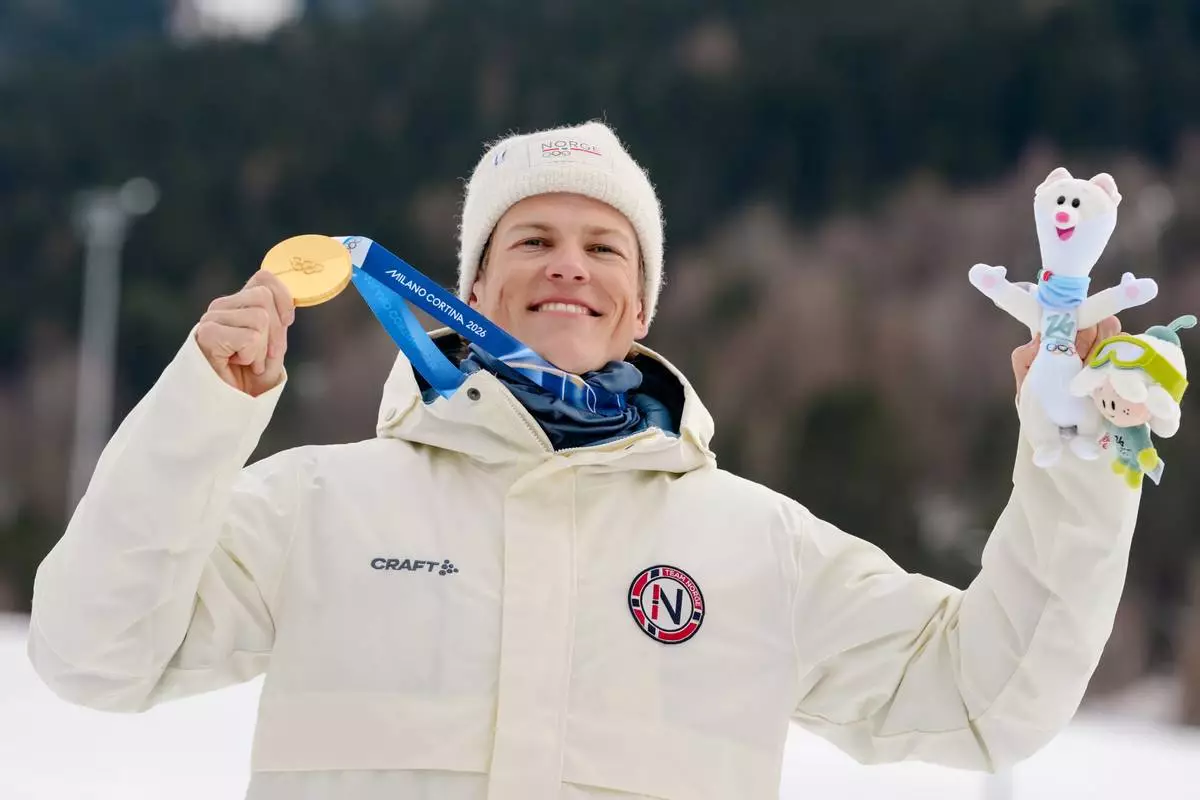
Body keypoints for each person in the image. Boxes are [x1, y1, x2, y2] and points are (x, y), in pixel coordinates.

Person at [29, 121, 1137, 800]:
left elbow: (986, 697)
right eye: (533, 240)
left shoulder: (758, 544)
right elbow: (96, 653)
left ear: (639, 304)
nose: (570, 266)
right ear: (472, 287)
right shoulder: (320, 504)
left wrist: (1080, 455)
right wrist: (201, 411)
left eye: (604, 246)